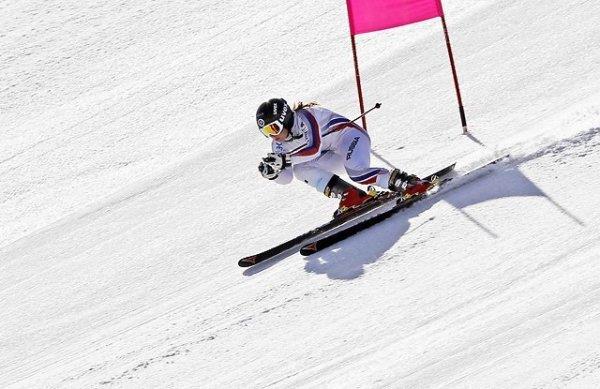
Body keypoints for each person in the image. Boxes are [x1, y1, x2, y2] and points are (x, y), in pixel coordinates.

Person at [255, 98, 431, 216]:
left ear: (285, 119)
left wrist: (285, 160)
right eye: (265, 132)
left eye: (273, 128)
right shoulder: (277, 144)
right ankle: (351, 195)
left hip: (351, 139)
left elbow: (314, 149)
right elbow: (287, 178)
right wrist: (274, 173)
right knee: (300, 169)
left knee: (358, 173)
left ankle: (409, 183)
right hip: (332, 155)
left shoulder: (307, 117)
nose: (272, 135)